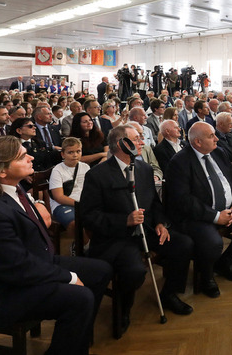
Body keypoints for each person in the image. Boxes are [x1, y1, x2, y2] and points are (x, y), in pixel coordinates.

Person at [0, 136, 113, 355]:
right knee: (80, 298)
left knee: (101, 270)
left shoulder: (11, 188)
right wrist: (69, 277)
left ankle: (77, 339)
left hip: (31, 263)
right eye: (22, 156)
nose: (31, 157)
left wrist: (38, 203)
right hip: (1, 291)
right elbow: (16, 267)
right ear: (1, 171)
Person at [80, 125, 195, 327]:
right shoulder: (97, 175)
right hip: (118, 237)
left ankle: (169, 294)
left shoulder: (144, 169)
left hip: (146, 230)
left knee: (184, 244)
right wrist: (124, 220)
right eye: (136, 139)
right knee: (134, 271)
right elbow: (89, 216)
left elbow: (155, 204)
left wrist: (160, 223)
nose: (142, 142)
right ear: (121, 144)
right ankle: (124, 308)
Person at [162, 122, 232, 298]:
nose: (217, 139)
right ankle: (206, 277)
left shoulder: (219, 153)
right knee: (213, 242)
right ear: (197, 142)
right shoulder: (179, 162)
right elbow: (184, 201)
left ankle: (225, 262)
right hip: (197, 216)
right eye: (211, 136)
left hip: (228, 209)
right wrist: (216, 216)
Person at [48, 136, 88, 237]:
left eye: (78, 151)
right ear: (63, 154)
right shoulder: (57, 170)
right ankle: (79, 245)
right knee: (74, 224)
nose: (75, 155)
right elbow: (59, 197)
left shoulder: (85, 167)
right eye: (70, 152)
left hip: (83, 203)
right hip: (62, 205)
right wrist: (79, 204)